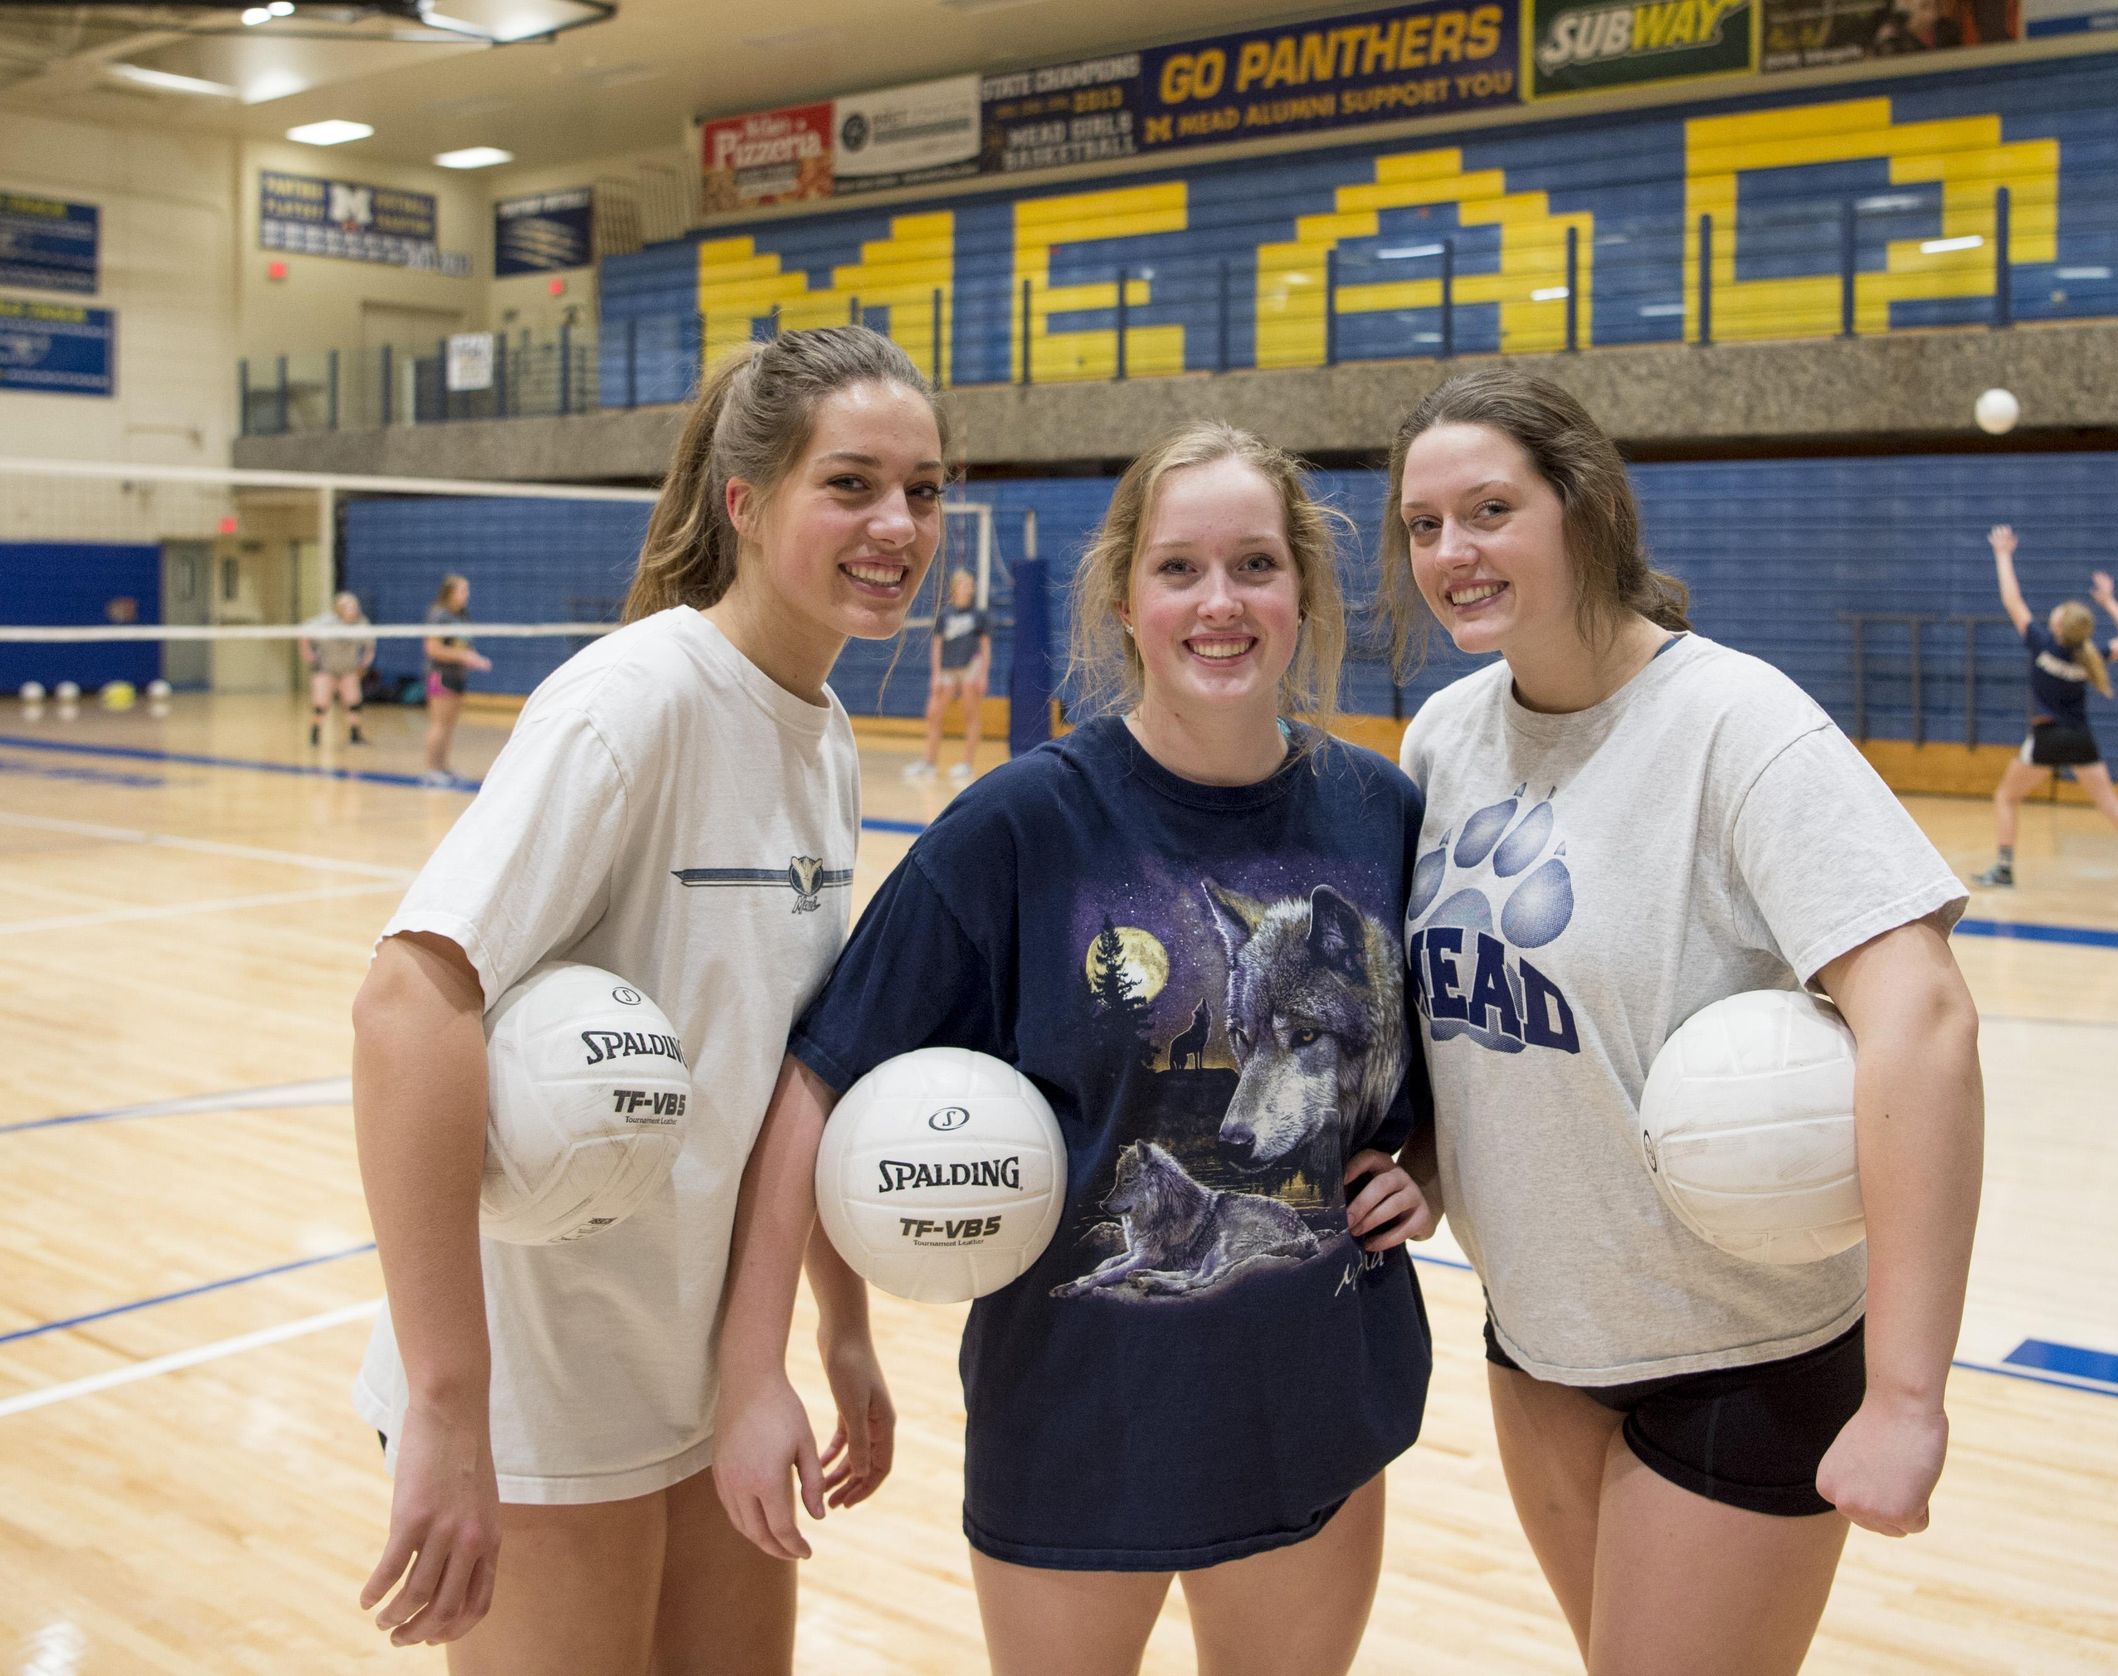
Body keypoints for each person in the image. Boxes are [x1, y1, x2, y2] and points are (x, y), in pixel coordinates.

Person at [711, 421, 1437, 1676]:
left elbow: (1405, 1077)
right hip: (1077, 1422)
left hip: (1310, 1405)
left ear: (1304, 591)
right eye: (1179, 569)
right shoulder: (1019, 824)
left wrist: (1421, 1167)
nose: (1221, 603)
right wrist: (762, 1364)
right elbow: (812, 1082)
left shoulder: (1379, 811)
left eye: (1256, 564)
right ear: (1123, 599)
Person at [349, 326, 946, 1671]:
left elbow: (790, 1057)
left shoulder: (828, 737)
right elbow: (406, 1006)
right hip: (546, 1384)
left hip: (703, 1360)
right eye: (850, 483)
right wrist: (454, 1408)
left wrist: (834, 1327)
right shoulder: (636, 703)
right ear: (746, 502)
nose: (898, 523)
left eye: (925, 487)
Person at [1381, 367, 1984, 1676]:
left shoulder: (1736, 725)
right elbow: (1458, 1014)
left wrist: (1906, 1393)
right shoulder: (1442, 740)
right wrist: (1426, 1157)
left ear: (1583, 509)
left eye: (1489, 509)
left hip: (1742, 1354)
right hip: (1538, 1336)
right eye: (1423, 525)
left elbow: (1925, 1020)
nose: (1452, 552)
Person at [1973, 524, 2118, 897]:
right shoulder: (2091, 656)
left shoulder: (2042, 645)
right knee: (2110, 805)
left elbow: (2012, 602)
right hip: (2081, 738)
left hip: (2047, 736)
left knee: (2005, 797)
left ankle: (2003, 868)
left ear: (2059, 625)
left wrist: (2002, 555)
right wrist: (2110, 602)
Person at [908, 566, 991, 783]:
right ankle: (929, 762)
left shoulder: (978, 616)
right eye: (965, 585)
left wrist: (983, 675)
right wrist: (935, 675)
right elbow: (937, 646)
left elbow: (985, 647)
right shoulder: (945, 616)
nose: (969, 589)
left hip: (969, 668)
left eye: (971, 585)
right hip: (946, 669)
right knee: (934, 714)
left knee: (971, 715)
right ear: (955, 588)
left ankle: (966, 764)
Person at [420, 574, 492, 788]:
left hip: (458, 676)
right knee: (439, 724)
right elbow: (432, 649)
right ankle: (432, 770)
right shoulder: (438, 615)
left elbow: (464, 645)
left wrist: (474, 658)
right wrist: (463, 657)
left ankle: (444, 767)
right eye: (462, 590)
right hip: (441, 675)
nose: (466, 595)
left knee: (449, 725)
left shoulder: (462, 615)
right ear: (449, 592)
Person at [301, 590, 377, 746]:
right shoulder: (325, 622)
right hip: (325, 669)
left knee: (353, 702)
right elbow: (303, 632)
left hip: (348, 670)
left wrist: (364, 663)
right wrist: (307, 653)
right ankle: (315, 734)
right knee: (321, 703)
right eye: (348, 606)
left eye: (355, 606)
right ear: (339, 608)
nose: (353, 609)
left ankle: (355, 735)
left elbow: (370, 646)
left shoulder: (361, 624)